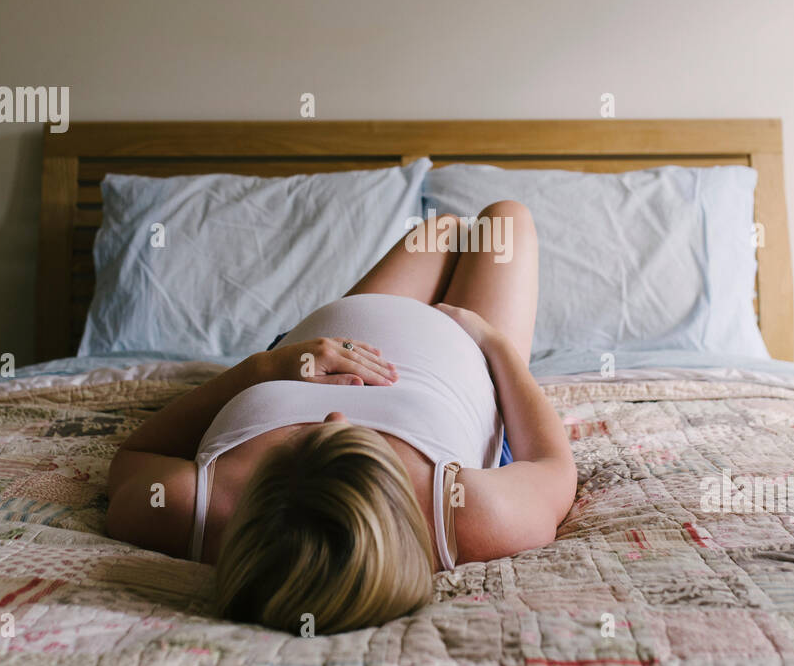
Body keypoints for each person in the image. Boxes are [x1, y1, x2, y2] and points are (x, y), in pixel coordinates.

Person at [105, 200, 576, 634]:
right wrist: (490, 341)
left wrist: (265, 368)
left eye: (305, 442)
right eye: (353, 441)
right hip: (469, 354)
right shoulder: (466, 513)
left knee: (445, 230)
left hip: (320, 338)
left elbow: (135, 452)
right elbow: (552, 467)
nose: (335, 413)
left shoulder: (189, 508)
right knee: (505, 220)